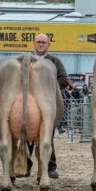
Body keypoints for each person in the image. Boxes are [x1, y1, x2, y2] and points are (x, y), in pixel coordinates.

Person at [25, 33, 69, 179]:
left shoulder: (54, 61)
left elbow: (64, 79)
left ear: (48, 45)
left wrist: (50, 87)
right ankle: (25, 165)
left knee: (47, 136)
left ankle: (50, 167)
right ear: (34, 44)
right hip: (29, 102)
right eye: (38, 42)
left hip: (48, 103)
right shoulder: (26, 60)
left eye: (44, 42)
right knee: (27, 134)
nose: (41, 44)